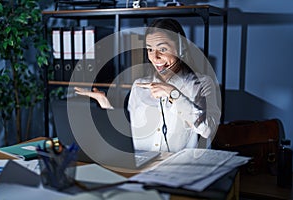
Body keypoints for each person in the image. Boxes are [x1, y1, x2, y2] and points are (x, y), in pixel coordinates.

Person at [74, 18, 221, 152]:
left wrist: (174, 94)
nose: (155, 57)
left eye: (163, 49)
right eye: (150, 49)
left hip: (179, 169)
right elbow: (129, 129)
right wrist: (105, 104)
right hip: (140, 165)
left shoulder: (202, 84)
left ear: (181, 49)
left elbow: (209, 129)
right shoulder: (140, 85)